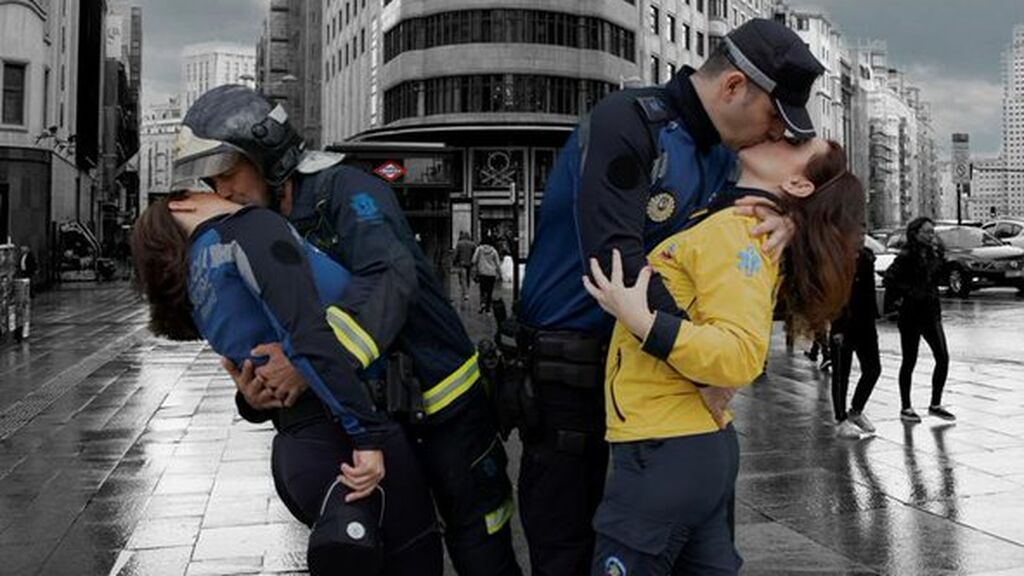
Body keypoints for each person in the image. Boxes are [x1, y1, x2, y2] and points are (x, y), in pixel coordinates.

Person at [514, 18, 824, 575]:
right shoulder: (629, 122)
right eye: (774, 118)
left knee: (681, 552)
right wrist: (702, 368)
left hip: (655, 382)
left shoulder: (724, 156)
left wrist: (791, 219)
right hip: (575, 369)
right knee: (568, 548)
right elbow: (616, 261)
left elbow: (730, 241)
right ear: (733, 87)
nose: (776, 135)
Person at [170, 85, 522, 576]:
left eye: (228, 174)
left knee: (479, 543)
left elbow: (389, 278)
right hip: (381, 421)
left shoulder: (352, 192)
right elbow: (272, 328)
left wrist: (308, 362)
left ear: (269, 157)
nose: (222, 192)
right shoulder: (260, 229)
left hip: (446, 406)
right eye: (214, 181)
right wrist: (255, 393)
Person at [583, 137, 865, 575]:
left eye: (794, 142)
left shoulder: (739, 231)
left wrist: (645, 322)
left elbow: (740, 354)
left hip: (666, 449)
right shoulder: (738, 219)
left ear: (798, 182)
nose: (776, 134)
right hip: (691, 444)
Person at [130, 192, 442, 575]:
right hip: (342, 437)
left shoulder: (198, 282)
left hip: (300, 447)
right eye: (212, 186)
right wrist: (368, 437)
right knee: (416, 557)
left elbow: (255, 362)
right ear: (182, 205)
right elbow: (306, 334)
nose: (225, 192)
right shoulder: (245, 229)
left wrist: (251, 400)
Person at [885, 216, 955, 422]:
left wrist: (942, 259)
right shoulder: (906, 255)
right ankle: (905, 407)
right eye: (927, 232)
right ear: (915, 233)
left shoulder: (933, 253)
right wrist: (911, 292)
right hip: (911, 315)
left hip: (931, 313)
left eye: (932, 231)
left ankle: (935, 403)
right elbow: (890, 278)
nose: (931, 235)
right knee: (909, 360)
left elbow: (938, 276)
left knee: (942, 357)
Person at [829, 243, 882, 439]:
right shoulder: (835, 258)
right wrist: (837, 327)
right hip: (843, 325)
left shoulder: (866, 257)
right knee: (841, 374)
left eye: (863, 229)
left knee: (873, 369)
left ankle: (856, 410)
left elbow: (868, 293)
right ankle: (841, 419)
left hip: (865, 323)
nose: (860, 235)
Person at [472, 235, 502, 314]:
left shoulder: (479, 249)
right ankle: (488, 308)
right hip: (492, 273)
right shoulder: (494, 251)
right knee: (490, 291)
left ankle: (482, 303)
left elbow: (474, 260)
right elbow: (498, 263)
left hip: (482, 272)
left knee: (482, 289)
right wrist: (500, 274)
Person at [453, 231, 476, 302]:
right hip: (470, 263)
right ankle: (467, 290)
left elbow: (456, 254)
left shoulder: (459, 244)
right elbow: (475, 253)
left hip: (462, 263)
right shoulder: (472, 244)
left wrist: (454, 262)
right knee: (468, 278)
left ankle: (465, 293)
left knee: (463, 278)